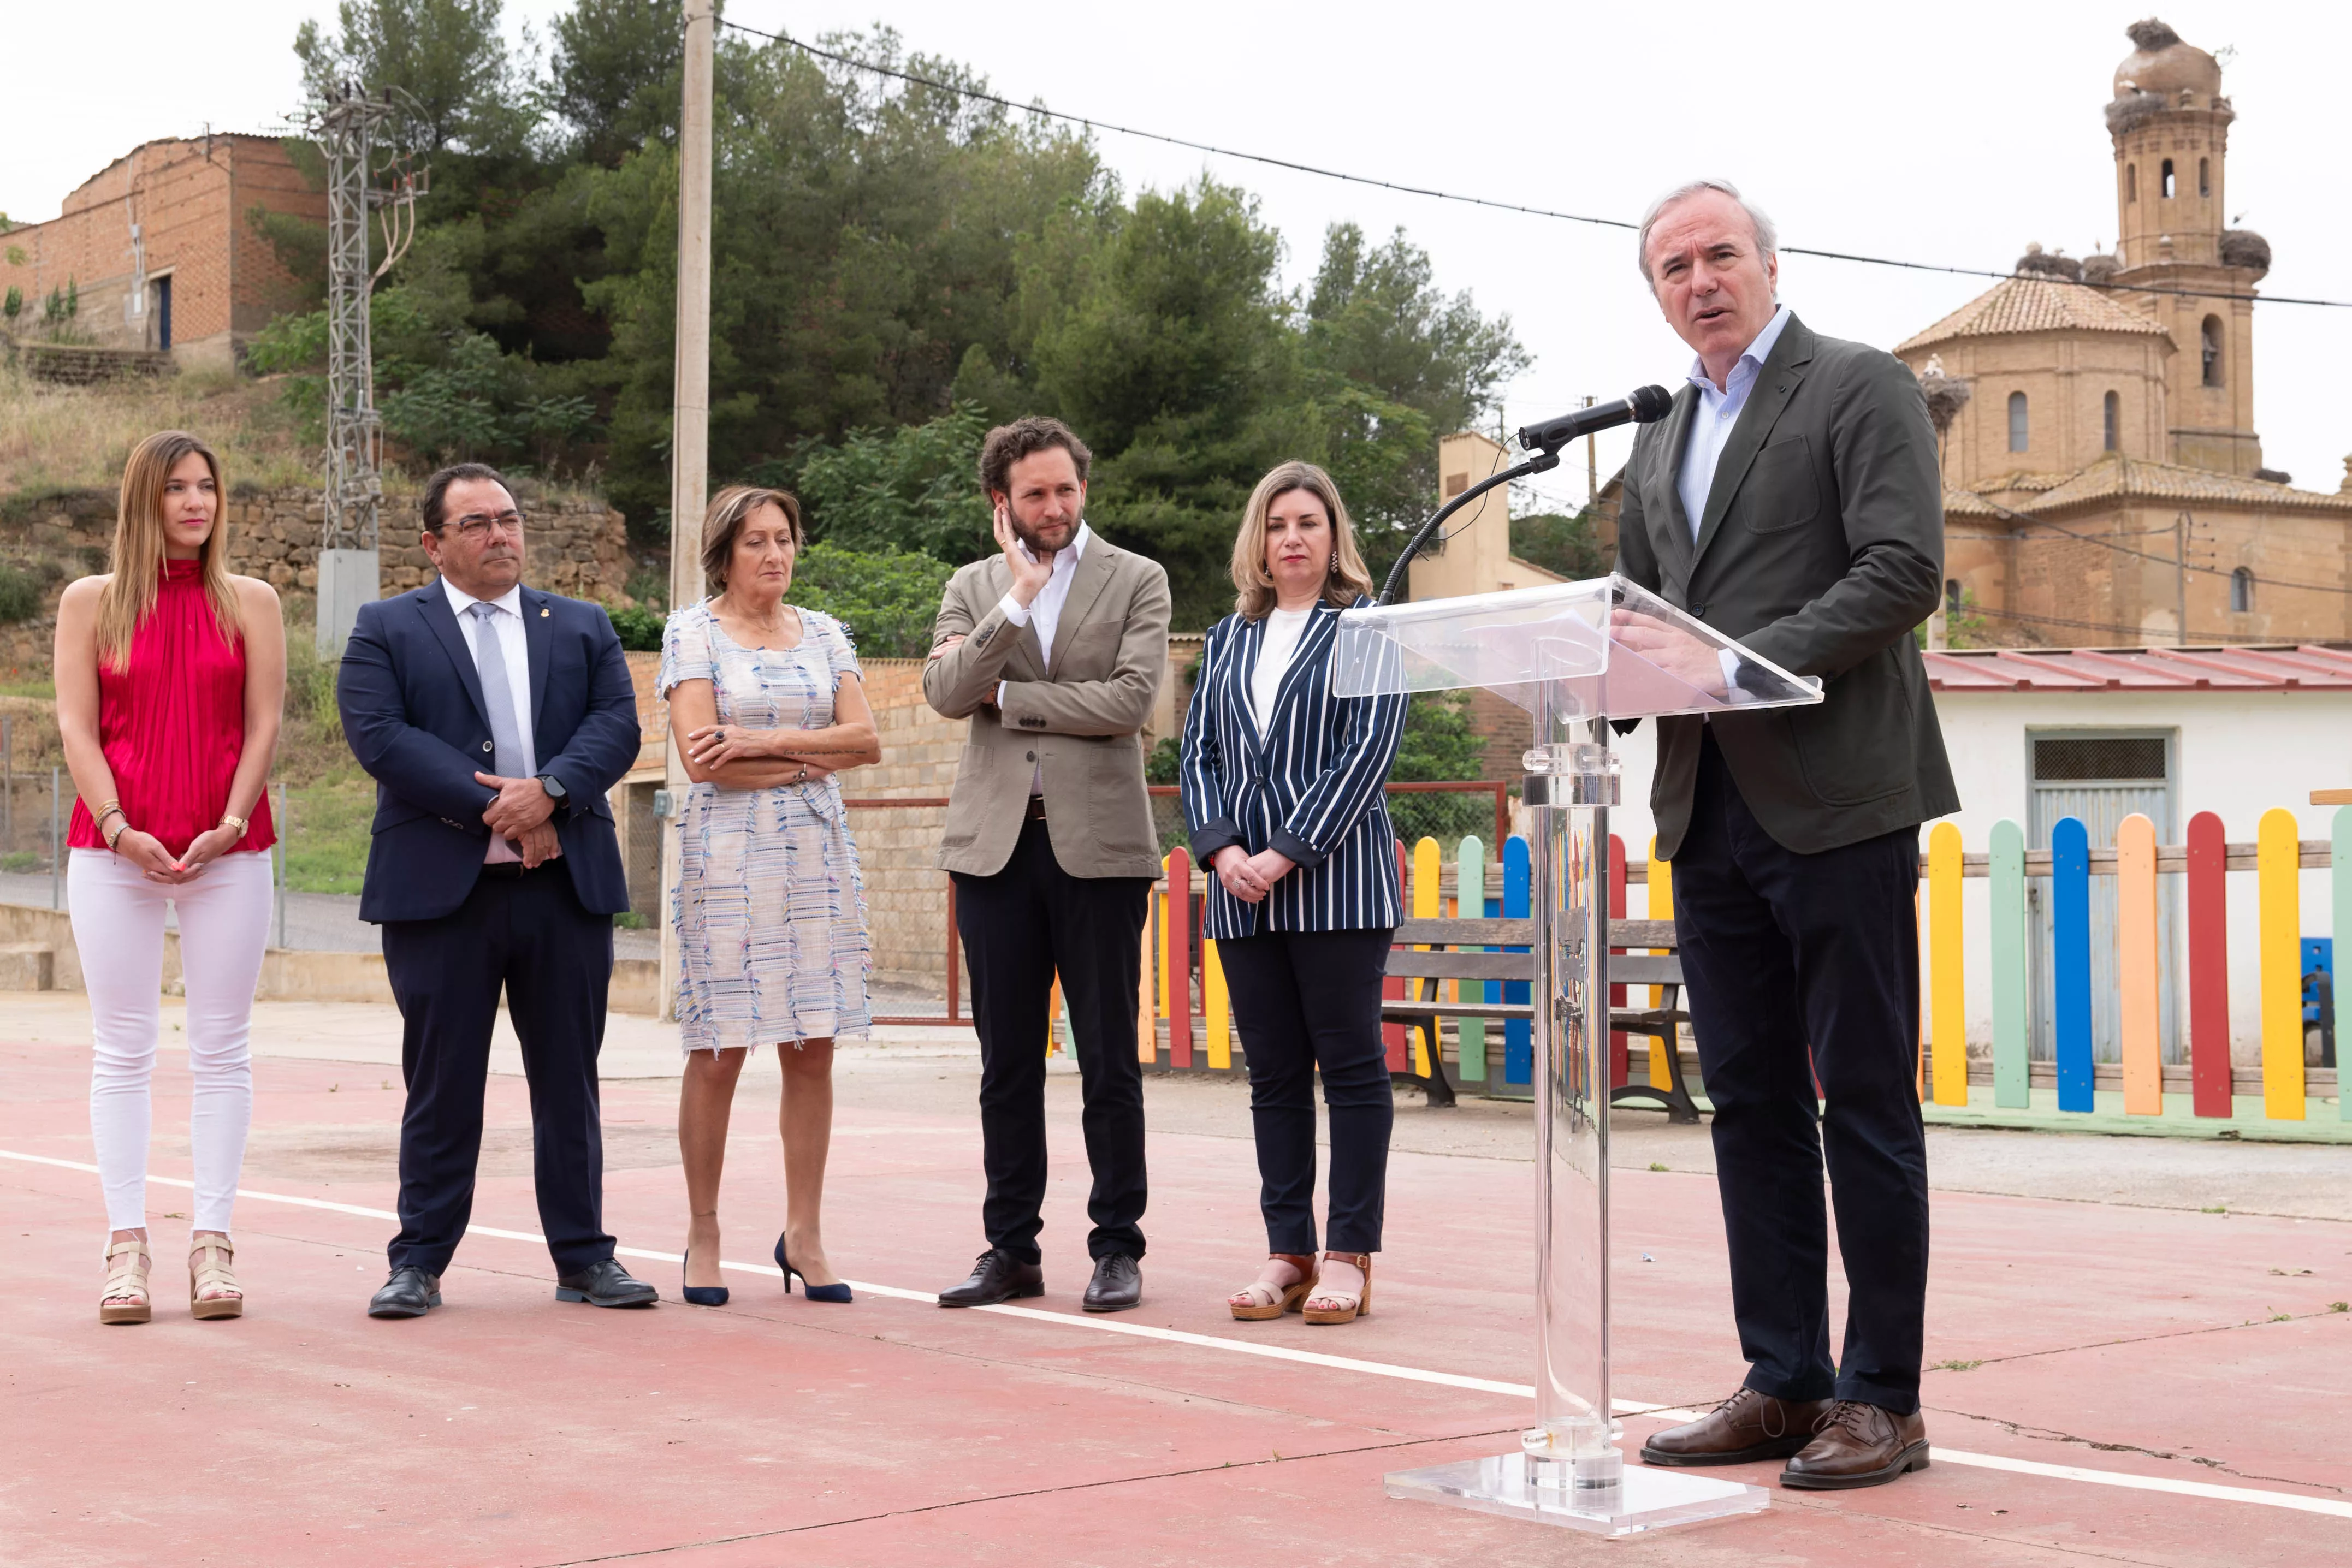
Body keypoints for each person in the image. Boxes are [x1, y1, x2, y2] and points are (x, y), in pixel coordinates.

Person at [1610, 179, 1957, 1489]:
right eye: (1669, 268)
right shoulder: (1657, 437)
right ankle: (1782, 1376)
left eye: (1716, 255)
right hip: (1708, 811)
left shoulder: (1853, 385)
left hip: (1838, 799)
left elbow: (1899, 567)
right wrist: (1621, 663)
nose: (1697, 281)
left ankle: (1883, 1396)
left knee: (1860, 1096)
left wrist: (1737, 664)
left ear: (1766, 261)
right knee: (1748, 1100)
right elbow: (1650, 612)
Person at [339, 461, 654, 1318]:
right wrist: (504, 808)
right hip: (443, 898)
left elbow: (615, 726)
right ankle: (419, 1262)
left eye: (508, 518)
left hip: (563, 889)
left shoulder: (582, 624)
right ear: (434, 543)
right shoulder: (385, 628)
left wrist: (549, 791)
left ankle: (585, 1259)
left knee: (569, 1080)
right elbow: (381, 737)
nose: (499, 535)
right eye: (475, 523)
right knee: (443, 1083)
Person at [923, 417, 1170, 1314]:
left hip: (1100, 850)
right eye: (1035, 493)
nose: (1055, 506)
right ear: (1003, 502)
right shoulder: (972, 586)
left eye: (1066, 489)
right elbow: (948, 693)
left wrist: (1011, 697)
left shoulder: (1138, 578)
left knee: (1108, 1059)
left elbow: (1130, 702)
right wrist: (1016, 601)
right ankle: (1010, 1250)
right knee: (1006, 1065)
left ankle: (1116, 1248)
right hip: (993, 853)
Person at [54, 430, 284, 1325]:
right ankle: (126, 1248)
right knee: (124, 1049)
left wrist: (231, 821)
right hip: (113, 852)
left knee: (222, 1048)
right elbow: (78, 727)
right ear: (142, 500)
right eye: (177, 489)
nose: (197, 503)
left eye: (208, 488)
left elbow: (263, 723)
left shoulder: (252, 602)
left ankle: (213, 1243)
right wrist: (118, 828)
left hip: (232, 851)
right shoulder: (91, 602)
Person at [1179, 462, 1406, 1327]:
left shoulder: (1366, 631)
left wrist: (1283, 853)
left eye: (1309, 522)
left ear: (1333, 535)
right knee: (1272, 1076)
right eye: (1277, 525)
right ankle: (1288, 1252)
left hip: (1336, 887)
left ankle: (1349, 1252)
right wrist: (1222, 850)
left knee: (1349, 1071)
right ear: (1258, 542)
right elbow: (1197, 755)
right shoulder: (1225, 639)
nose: (1293, 538)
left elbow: (1366, 754)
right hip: (1239, 893)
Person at [661, 485, 880, 1308]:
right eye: (755, 541)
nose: (774, 555)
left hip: (816, 858)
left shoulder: (824, 633)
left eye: (784, 538)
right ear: (723, 553)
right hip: (726, 857)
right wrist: (803, 760)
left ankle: (805, 1234)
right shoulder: (693, 633)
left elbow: (866, 741)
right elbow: (702, 761)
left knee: (812, 1045)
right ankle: (704, 1229)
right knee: (719, 1049)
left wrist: (765, 739)